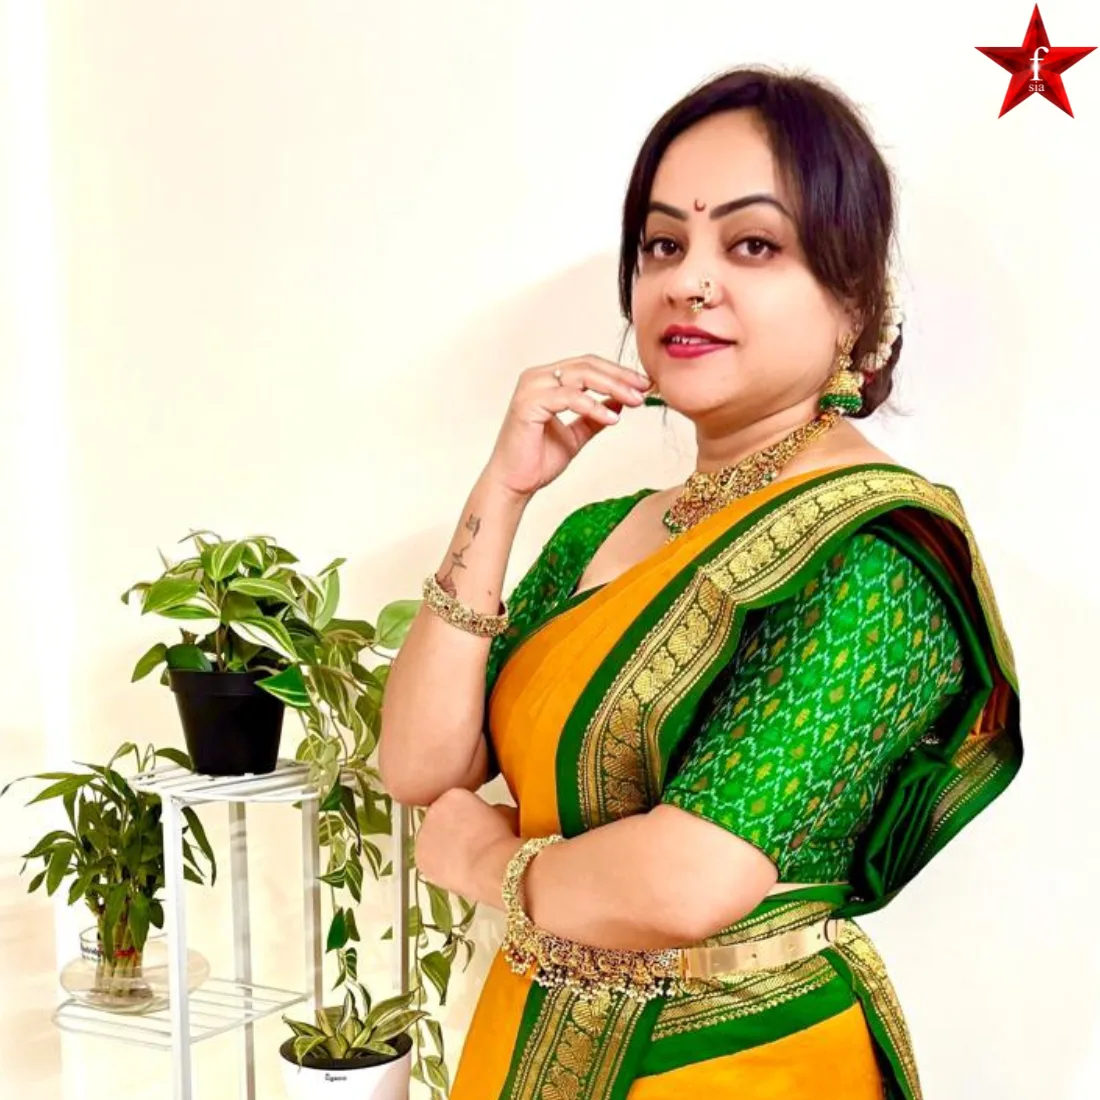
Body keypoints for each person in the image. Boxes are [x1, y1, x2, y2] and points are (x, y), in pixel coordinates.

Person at [378, 65, 1021, 1100]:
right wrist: (502, 488)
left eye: (752, 244)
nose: (688, 281)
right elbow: (418, 764)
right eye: (662, 245)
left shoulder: (870, 551)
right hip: (530, 1037)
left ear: (853, 302)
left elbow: (689, 879)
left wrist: (481, 866)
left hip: (738, 1060)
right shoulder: (603, 530)